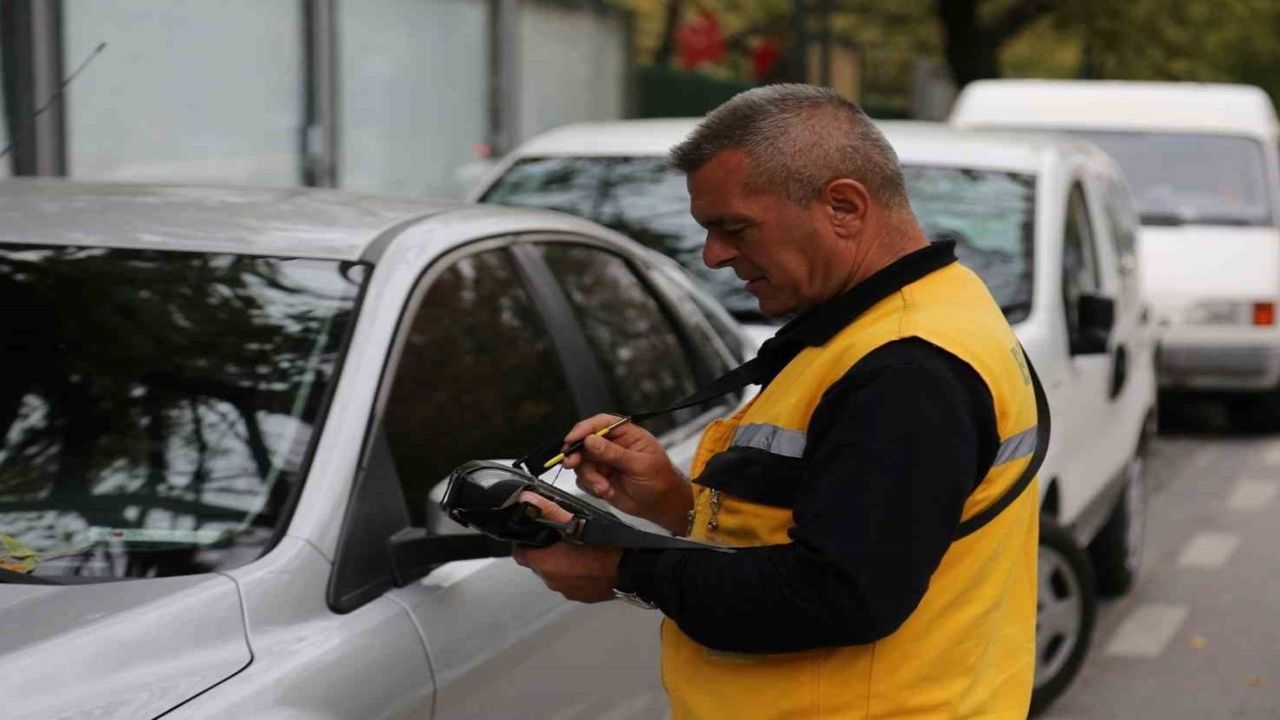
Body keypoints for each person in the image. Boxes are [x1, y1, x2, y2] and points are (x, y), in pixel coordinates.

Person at [512, 84, 1041, 719]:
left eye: (733, 227)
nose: (713, 255)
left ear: (843, 207)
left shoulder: (906, 370)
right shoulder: (928, 310)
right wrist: (672, 502)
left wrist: (626, 568)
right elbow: (836, 532)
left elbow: (839, 594)